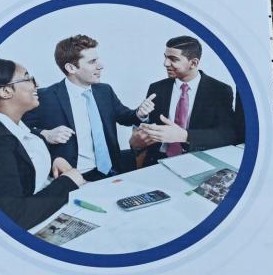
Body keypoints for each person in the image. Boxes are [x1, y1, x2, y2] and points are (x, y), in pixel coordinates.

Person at [0, 58, 85, 230]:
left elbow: (21, 152)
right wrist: (67, 182)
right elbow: (14, 216)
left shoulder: (7, 124)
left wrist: (53, 160)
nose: (37, 84)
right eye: (28, 78)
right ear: (6, 91)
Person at [24, 35, 155, 180]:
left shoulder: (105, 91)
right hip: (73, 177)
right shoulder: (46, 97)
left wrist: (139, 113)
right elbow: (18, 129)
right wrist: (45, 134)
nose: (101, 66)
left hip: (113, 172)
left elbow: (124, 116)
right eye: (93, 62)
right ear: (71, 67)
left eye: (97, 60)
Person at [132, 36, 244, 166]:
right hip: (157, 162)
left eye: (173, 59)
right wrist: (143, 117)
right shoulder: (156, 88)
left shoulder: (219, 90)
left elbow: (227, 134)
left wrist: (185, 135)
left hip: (199, 163)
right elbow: (148, 130)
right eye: (165, 57)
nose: (165, 63)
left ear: (193, 63)